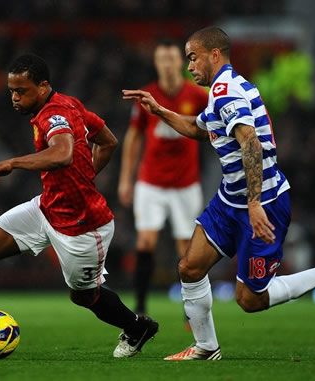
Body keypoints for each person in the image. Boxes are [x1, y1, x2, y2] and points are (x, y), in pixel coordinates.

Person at [0, 53, 158, 358]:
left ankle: (137, 327)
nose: (14, 97)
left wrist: (13, 162)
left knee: (84, 296)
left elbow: (62, 153)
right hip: (47, 208)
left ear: (44, 86)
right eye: (11, 90)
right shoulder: (69, 104)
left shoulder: (54, 114)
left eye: (21, 90)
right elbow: (108, 140)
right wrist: (85, 176)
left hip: (84, 226)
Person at [122, 27, 315, 361]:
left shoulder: (228, 91)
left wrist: (255, 203)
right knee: (189, 268)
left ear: (214, 55)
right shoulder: (220, 91)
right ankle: (205, 347)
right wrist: (159, 110)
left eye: (193, 57)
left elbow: (251, 143)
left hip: (264, 203)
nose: (189, 66)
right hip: (230, 200)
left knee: (250, 299)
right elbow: (199, 129)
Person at [118, 39, 208, 316]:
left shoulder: (198, 96)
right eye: (162, 59)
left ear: (180, 63)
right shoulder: (147, 95)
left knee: (187, 248)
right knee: (145, 241)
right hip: (151, 182)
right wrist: (125, 178)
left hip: (186, 183)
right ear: (156, 63)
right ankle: (141, 307)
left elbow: (215, 126)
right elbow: (134, 136)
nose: (167, 64)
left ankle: (190, 310)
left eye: (172, 59)